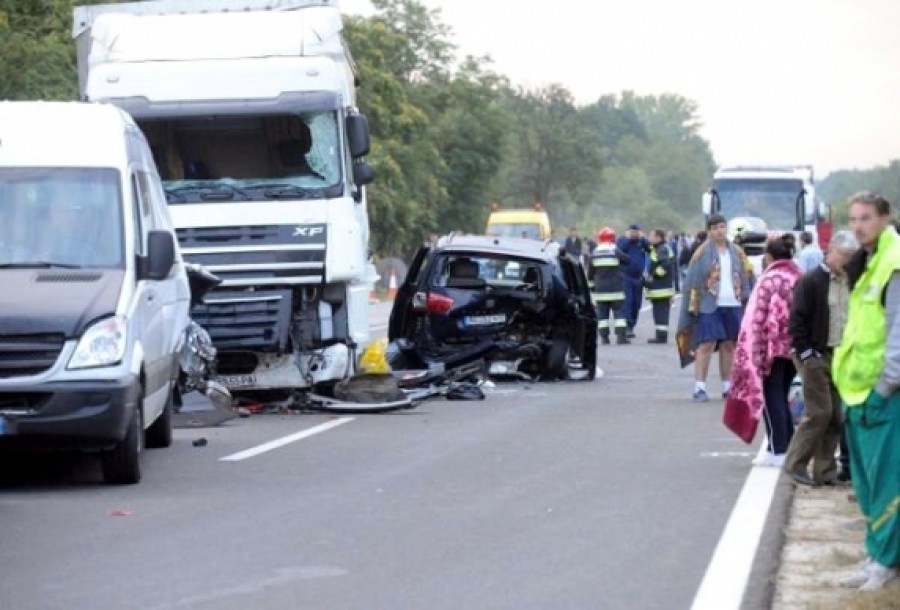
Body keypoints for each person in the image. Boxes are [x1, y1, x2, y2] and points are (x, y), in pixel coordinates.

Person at [832, 191, 900, 591]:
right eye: (853, 219)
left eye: (866, 218)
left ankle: (887, 562)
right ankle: (875, 554)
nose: (858, 226)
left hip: (884, 393)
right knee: (866, 483)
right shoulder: (867, 260)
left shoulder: (893, 263)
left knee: (889, 482)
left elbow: (898, 335)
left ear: (886, 218)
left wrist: (885, 386)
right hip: (856, 391)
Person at [784, 231, 858, 486]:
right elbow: (796, 321)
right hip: (816, 354)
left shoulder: (850, 281)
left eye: (851, 256)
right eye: (844, 255)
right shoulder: (812, 281)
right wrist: (807, 354)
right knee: (819, 413)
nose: (848, 261)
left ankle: (825, 470)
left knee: (836, 415)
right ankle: (795, 464)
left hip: (841, 355)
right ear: (831, 251)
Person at [725, 235, 801, 465]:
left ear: (768, 257)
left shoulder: (769, 280)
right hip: (794, 347)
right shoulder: (798, 276)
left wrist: (751, 351)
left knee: (770, 397)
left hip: (771, 348)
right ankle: (780, 444)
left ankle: (779, 448)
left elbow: (756, 319)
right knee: (780, 393)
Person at [677, 214, 752, 402]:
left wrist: (748, 299)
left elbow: (747, 275)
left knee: (729, 345)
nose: (720, 231)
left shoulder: (737, 251)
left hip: (733, 303)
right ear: (709, 231)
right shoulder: (701, 253)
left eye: (722, 227)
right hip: (709, 304)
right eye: (716, 227)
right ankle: (699, 387)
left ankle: (728, 386)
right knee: (706, 344)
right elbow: (692, 280)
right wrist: (693, 305)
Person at [590, 227, 629, 345]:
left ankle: (604, 338)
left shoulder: (595, 252)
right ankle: (621, 337)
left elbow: (590, 273)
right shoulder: (615, 250)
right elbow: (627, 260)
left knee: (602, 316)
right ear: (612, 238)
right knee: (620, 314)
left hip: (601, 290)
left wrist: (592, 287)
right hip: (616, 288)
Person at [616, 223, 650, 338]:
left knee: (637, 303)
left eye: (636, 232)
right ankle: (627, 327)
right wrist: (628, 238)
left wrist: (642, 238)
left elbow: (652, 250)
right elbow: (618, 251)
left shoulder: (642, 242)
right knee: (628, 302)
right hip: (626, 277)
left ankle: (632, 324)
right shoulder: (622, 241)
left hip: (638, 277)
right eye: (632, 232)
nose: (634, 234)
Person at [644, 228, 676, 344]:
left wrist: (654, 276)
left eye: (651, 236)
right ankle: (660, 335)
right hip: (660, 288)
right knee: (658, 312)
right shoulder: (660, 248)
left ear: (658, 238)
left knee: (660, 312)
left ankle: (661, 337)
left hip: (661, 288)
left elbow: (665, 265)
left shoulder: (661, 249)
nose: (649, 238)